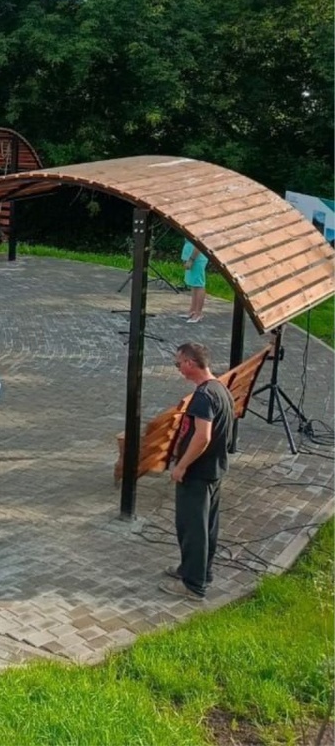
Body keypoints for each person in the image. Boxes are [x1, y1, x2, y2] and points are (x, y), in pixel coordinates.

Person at [159, 342, 235, 601]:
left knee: (192, 528)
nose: (178, 368)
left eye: (178, 364)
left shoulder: (203, 397)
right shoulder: (221, 389)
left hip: (198, 473)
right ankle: (198, 571)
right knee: (207, 526)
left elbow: (202, 436)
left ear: (190, 363)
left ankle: (193, 585)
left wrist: (181, 466)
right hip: (214, 469)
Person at [181, 241, 209, 323]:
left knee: (199, 284)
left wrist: (192, 259)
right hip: (190, 257)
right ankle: (192, 310)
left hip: (197, 258)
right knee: (193, 284)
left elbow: (199, 244)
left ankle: (198, 313)